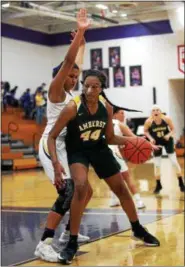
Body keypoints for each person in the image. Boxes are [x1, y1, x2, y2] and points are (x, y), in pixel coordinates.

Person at [48, 69, 160, 264]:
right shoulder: (72, 107)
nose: (90, 90)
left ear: (101, 88)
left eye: (95, 86)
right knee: (81, 187)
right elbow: (52, 136)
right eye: (87, 86)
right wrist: (56, 164)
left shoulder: (106, 108)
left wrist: (137, 142)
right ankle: (72, 242)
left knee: (121, 189)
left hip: (99, 149)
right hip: (78, 151)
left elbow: (110, 138)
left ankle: (137, 229)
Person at [34, 9, 91, 263]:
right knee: (67, 192)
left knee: (85, 190)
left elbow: (75, 63)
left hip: (65, 146)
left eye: (77, 77)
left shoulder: (69, 93)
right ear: (60, 75)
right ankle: (44, 243)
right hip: (50, 145)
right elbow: (68, 63)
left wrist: (82, 41)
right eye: (71, 76)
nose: (74, 79)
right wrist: (78, 33)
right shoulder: (56, 90)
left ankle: (70, 232)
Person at [109, 107, 145, 209]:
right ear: (114, 114)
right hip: (114, 153)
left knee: (112, 178)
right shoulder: (118, 124)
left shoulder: (102, 123)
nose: (123, 115)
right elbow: (134, 138)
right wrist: (145, 141)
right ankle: (139, 201)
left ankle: (113, 200)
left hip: (103, 155)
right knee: (128, 178)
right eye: (121, 113)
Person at [144, 104, 185, 194]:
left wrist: (168, 135)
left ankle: (181, 183)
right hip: (157, 142)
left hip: (167, 141)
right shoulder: (148, 121)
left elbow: (173, 129)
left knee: (174, 162)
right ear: (151, 113)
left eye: (157, 110)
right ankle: (158, 185)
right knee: (157, 165)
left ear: (160, 111)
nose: (155, 111)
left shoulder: (166, 119)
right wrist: (151, 139)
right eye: (153, 110)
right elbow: (145, 131)